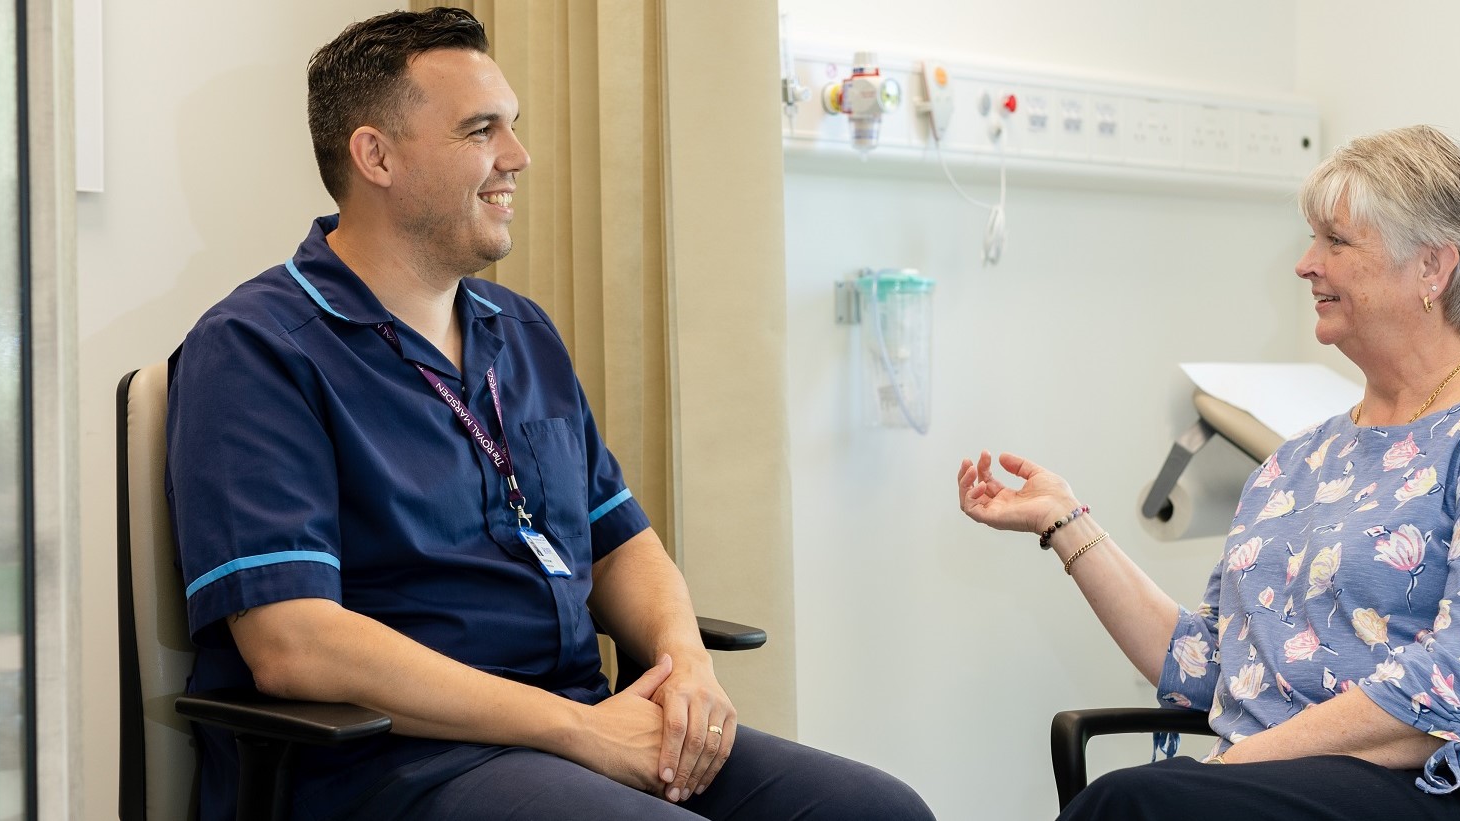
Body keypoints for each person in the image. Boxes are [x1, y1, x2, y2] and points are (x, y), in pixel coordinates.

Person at [167, 8, 933, 821]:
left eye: (515, 126)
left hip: (575, 729)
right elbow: (295, 645)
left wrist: (685, 666)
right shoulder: (255, 350)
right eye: (480, 130)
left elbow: (620, 542)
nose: (517, 157)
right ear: (376, 155)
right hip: (389, 765)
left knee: (881, 810)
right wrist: (579, 730)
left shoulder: (520, 330)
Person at [957, 126, 1460, 821]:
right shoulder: (1298, 460)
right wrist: (1065, 521)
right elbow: (1215, 670)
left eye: (1336, 241)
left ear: (1433, 266)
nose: (1306, 264)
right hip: (1305, 784)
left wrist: (1236, 763)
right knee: (1143, 802)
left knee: (1136, 802)